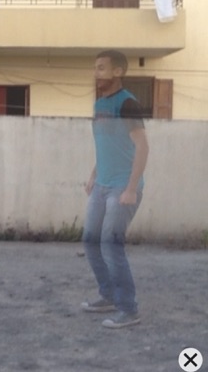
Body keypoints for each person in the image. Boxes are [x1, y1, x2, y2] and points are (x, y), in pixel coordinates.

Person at [81, 50, 149, 329]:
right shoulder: (99, 104)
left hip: (123, 186)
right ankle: (108, 296)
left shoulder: (127, 103)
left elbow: (142, 147)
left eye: (101, 68)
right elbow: (107, 145)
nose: (96, 73)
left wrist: (131, 188)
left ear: (118, 72)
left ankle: (128, 309)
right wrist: (93, 175)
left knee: (111, 244)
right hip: (102, 185)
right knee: (90, 240)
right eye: (95, 67)